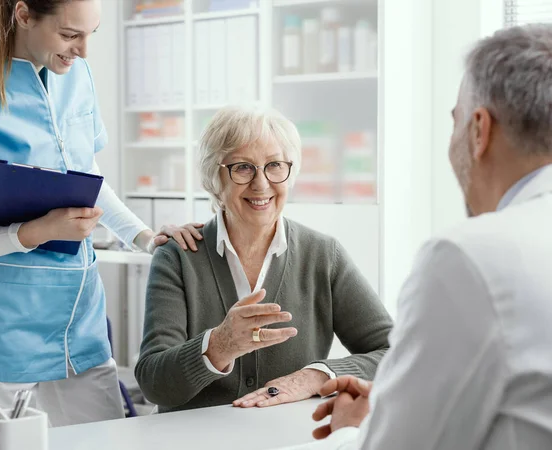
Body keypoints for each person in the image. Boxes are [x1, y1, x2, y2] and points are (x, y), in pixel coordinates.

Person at [281, 23, 552, 450]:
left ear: (480, 131)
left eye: (455, 122)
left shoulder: (472, 257)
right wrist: (396, 406)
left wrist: (356, 428)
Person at [0, 0, 201, 426]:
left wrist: (143, 236)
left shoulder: (76, 75)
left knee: (105, 438)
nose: (83, 51)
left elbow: (91, 181)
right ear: (23, 15)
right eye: (69, 35)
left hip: (78, 321)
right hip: (1, 329)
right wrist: (36, 231)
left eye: (90, 35)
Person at [134, 105, 394, 412]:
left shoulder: (323, 255)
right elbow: (153, 383)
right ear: (213, 177)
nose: (261, 184)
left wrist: (315, 376)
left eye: (274, 165)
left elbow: (394, 352)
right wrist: (219, 345)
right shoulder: (178, 257)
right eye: (243, 167)